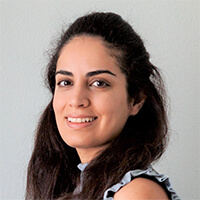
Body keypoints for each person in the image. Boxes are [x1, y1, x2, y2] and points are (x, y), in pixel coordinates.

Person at [26, 12, 180, 200]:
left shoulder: (136, 194)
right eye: (66, 82)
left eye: (99, 83)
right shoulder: (72, 184)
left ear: (136, 99)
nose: (76, 100)